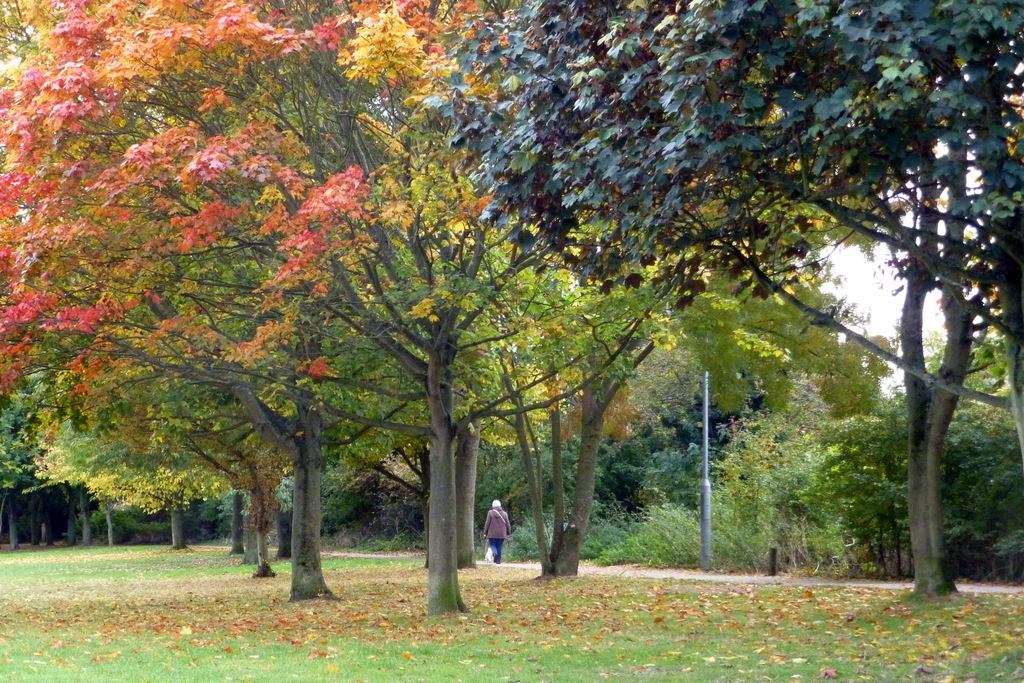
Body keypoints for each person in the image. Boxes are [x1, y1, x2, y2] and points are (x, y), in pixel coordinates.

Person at [483, 499, 512, 564]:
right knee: (500, 546)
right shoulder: (505, 514)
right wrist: (508, 532)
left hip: (492, 534)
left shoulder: (490, 513)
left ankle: (495, 553)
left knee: (492, 544)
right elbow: (508, 524)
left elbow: (487, 523)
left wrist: (485, 533)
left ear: (493, 506)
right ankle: (498, 560)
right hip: (502, 534)